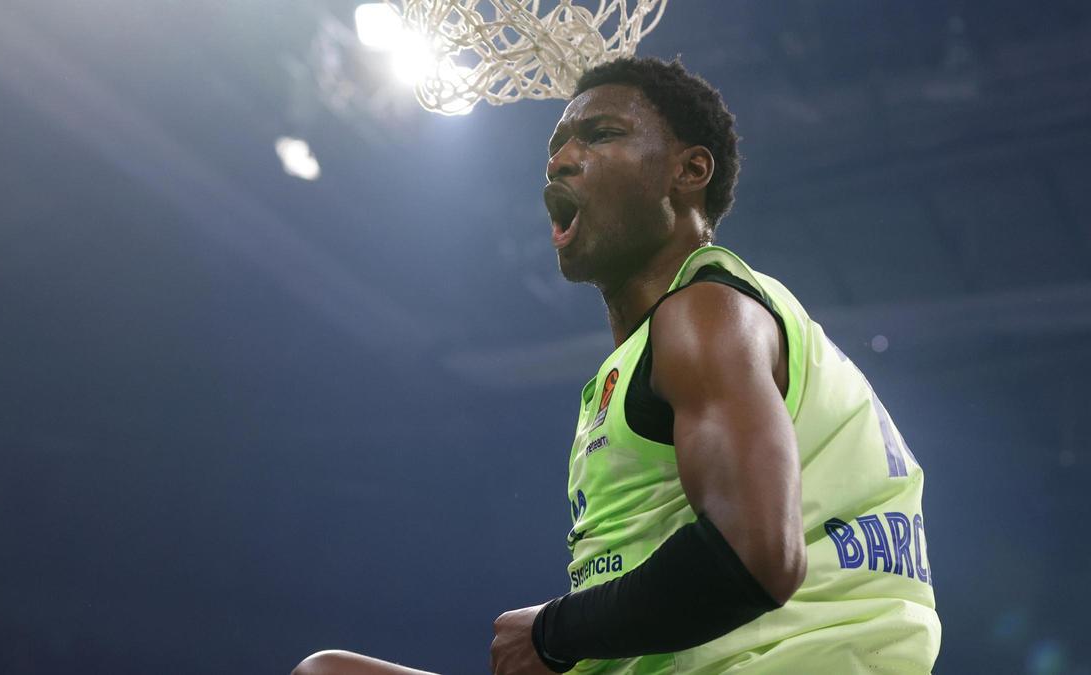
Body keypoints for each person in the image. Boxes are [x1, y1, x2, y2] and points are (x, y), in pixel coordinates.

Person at [293, 56, 940, 675]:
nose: (562, 159)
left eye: (600, 134)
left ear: (688, 171)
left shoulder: (707, 311)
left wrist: (554, 633)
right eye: (558, 143)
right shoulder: (677, 344)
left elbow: (757, 558)